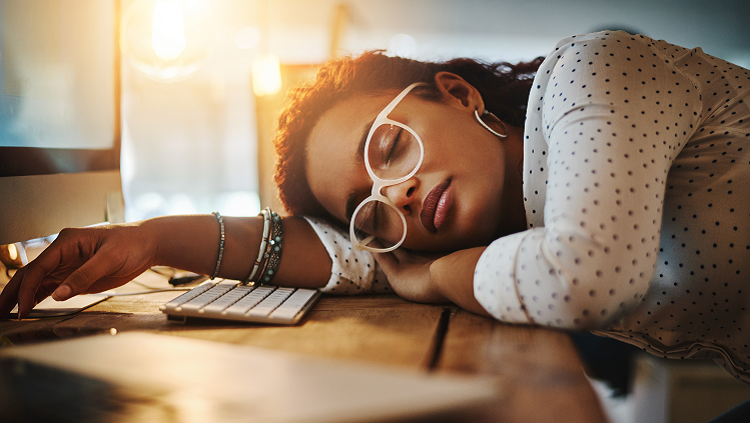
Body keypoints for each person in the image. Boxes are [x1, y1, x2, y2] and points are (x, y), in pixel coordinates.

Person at [1, 30, 749, 384]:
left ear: (457, 94)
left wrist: (422, 279)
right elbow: (354, 256)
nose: (396, 195)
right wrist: (152, 237)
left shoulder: (594, 71)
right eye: (367, 205)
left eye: (388, 147)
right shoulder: (514, 221)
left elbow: (584, 277)